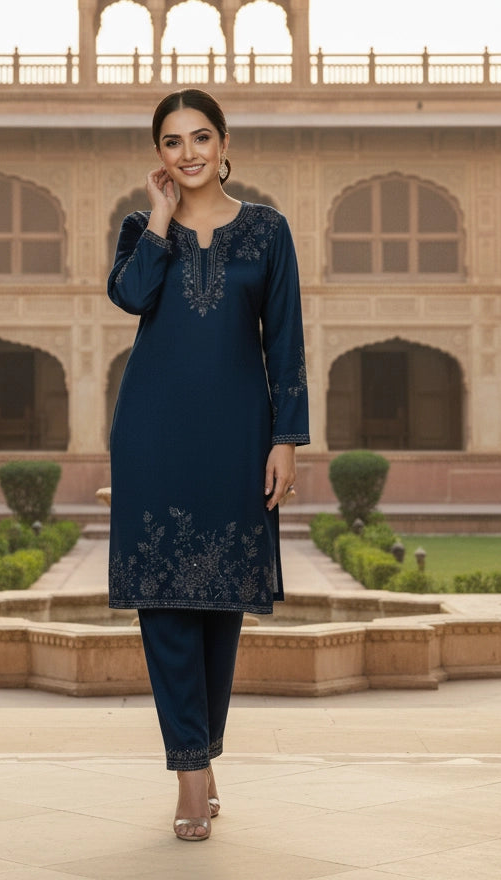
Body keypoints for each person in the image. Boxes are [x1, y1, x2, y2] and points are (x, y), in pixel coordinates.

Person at [107, 88, 309, 841]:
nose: (186, 153)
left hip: (235, 436)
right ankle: (190, 775)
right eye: (170, 142)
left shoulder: (266, 232)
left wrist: (286, 437)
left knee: (221, 608)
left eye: (199, 137)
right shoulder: (140, 231)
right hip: (152, 435)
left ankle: (202, 750)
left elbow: (284, 337)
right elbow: (129, 299)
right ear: (158, 156)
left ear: (225, 144)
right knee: (163, 605)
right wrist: (158, 220)